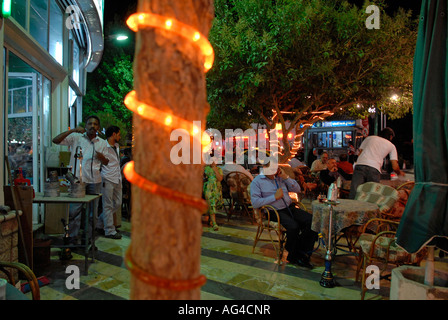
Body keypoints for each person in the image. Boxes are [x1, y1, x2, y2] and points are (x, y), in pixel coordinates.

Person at [52, 115, 109, 243]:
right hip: (78, 181)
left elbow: (106, 162)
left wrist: (101, 157)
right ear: (86, 126)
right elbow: (55, 140)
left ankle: (88, 239)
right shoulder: (76, 138)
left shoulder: (102, 143)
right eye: (89, 124)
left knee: (92, 214)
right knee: (74, 212)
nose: (92, 126)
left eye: (95, 124)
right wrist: (72, 130)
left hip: (95, 181)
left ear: (98, 128)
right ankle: (72, 237)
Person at [250, 162, 318, 269]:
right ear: (264, 168)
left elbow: (297, 189)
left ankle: (301, 252)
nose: (274, 171)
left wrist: (286, 177)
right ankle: (295, 256)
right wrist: (274, 197)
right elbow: (255, 203)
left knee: (312, 221)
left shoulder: (280, 178)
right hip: (274, 212)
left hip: (289, 208)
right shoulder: (257, 182)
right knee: (293, 227)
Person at [348, 127, 405, 199]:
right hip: (374, 168)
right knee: (372, 195)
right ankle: (370, 209)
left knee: (355, 192)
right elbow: (395, 166)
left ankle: (351, 208)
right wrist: (399, 173)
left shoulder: (369, 138)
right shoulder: (391, 146)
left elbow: (360, 153)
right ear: (390, 136)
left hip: (360, 164)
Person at [96, 126, 122, 239]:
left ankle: (99, 223)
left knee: (117, 203)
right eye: (119, 134)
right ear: (113, 134)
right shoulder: (103, 146)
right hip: (107, 178)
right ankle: (109, 230)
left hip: (117, 177)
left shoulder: (116, 146)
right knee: (107, 204)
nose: (120, 136)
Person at [203, 157, 224, 231]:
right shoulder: (205, 168)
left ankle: (211, 219)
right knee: (211, 204)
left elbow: (220, 179)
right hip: (208, 188)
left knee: (214, 204)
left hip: (216, 189)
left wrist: (215, 169)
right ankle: (214, 223)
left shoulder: (219, 169)